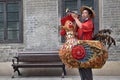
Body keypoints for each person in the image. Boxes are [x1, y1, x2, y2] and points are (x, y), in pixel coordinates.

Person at [71, 6, 95, 80]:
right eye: (82, 13)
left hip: (87, 48)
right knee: (81, 67)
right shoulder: (83, 23)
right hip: (81, 48)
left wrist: (75, 18)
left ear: (89, 15)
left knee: (86, 67)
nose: (83, 14)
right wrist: (76, 20)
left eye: (85, 13)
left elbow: (81, 26)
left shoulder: (89, 23)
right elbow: (75, 32)